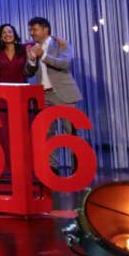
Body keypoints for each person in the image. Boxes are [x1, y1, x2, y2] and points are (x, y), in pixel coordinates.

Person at [25, 17, 82, 170]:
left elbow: (64, 64)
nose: (31, 33)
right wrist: (31, 60)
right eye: (30, 30)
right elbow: (28, 73)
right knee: (46, 133)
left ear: (45, 30)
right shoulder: (33, 47)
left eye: (34, 29)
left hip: (63, 93)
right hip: (43, 95)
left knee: (71, 132)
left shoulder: (60, 44)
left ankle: (78, 168)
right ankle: (52, 168)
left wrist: (42, 55)